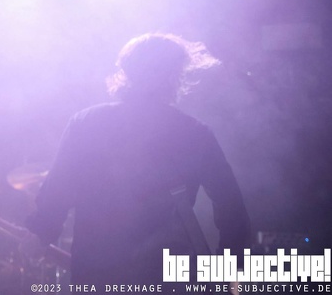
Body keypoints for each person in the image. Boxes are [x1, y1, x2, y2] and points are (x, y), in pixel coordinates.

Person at [26, 33, 250, 287]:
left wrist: (41, 233)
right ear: (173, 76)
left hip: (97, 274)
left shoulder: (86, 123)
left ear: (126, 73)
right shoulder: (195, 133)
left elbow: (57, 193)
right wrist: (228, 271)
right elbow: (232, 208)